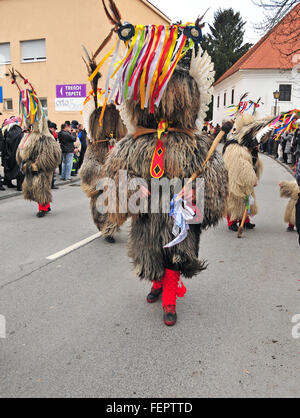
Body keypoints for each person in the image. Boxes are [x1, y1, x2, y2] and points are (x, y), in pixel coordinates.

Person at [97, 7, 228, 326]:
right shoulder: (133, 142)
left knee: (175, 256)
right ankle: (157, 285)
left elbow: (214, 180)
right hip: (146, 212)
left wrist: (193, 191)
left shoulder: (197, 143)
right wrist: (132, 188)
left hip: (179, 214)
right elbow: (115, 174)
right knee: (150, 254)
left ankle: (169, 300)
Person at [11, 70, 62, 218]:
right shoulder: (27, 136)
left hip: (40, 167)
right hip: (30, 166)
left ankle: (43, 208)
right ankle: (46, 206)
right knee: (34, 187)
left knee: (41, 186)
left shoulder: (44, 137)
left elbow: (51, 154)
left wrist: (39, 163)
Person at [223, 113, 269, 232]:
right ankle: (232, 221)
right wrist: (250, 177)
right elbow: (238, 164)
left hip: (246, 177)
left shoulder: (247, 144)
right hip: (234, 178)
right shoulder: (234, 146)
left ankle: (245, 219)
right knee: (234, 198)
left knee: (247, 198)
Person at [1, 117, 25, 191]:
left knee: (8, 168)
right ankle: (19, 186)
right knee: (19, 169)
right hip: (17, 153)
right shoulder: (19, 131)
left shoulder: (8, 131)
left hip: (8, 154)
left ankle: (8, 183)